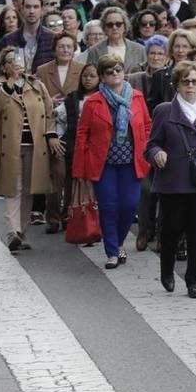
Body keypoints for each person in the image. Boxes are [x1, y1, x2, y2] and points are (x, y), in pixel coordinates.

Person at [144, 61, 196, 299]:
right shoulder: (163, 110)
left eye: (194, 81)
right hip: (173, 181)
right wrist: (157, 154)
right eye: (185, 81)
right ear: (176, 85)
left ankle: (193, 281)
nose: (190, 86)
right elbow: (151, 144)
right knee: (171, 230)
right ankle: (167, 271)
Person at [0, 46, 56, 253]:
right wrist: (10, 84)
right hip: (10, 146)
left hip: (35, 145)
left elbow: (48, 113)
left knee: (29, 189)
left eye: (18, 59)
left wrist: (50, 135)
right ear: (3, 67)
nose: (16, 63)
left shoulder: (36, 84)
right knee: (14, 189)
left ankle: (22, 232)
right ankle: (13, 232)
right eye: (10, 60)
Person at [72, 56, 151, 267]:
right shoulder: (94, 102)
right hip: (103, 163)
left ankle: (118, 241)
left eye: (118, 69)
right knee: (108, 207)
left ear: (124, 72)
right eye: (108, 71)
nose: (114, 74)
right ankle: (112, 252)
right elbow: (82, 134)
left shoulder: (137, 97)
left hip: (131, 162)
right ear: (102, 77)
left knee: (129, 205)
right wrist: (80, 169)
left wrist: (146, 149)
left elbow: (146, 125)